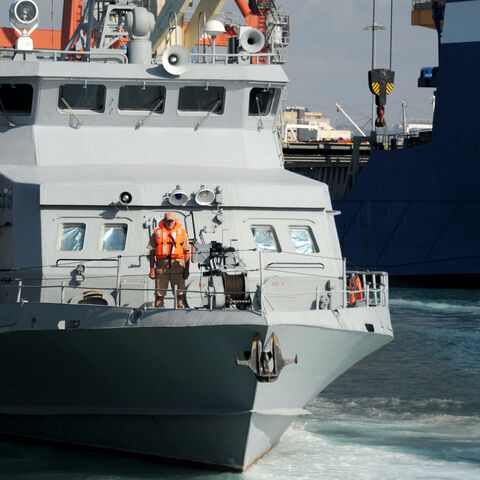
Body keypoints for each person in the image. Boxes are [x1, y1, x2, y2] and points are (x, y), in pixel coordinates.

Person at [147, 212, 190, 308]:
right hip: (161, 266)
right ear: (164, 221)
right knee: (159, 294)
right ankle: (159, 313)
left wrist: (186, 270)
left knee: (180, 294)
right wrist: (152, 270)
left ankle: (180, 312)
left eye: (172, 221)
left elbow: (187, 252)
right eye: (168, 221)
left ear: (175, 221)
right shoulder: (156, 233)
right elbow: (151, 252)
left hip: (178, 266)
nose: (170, 223)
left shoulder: (182, 233)